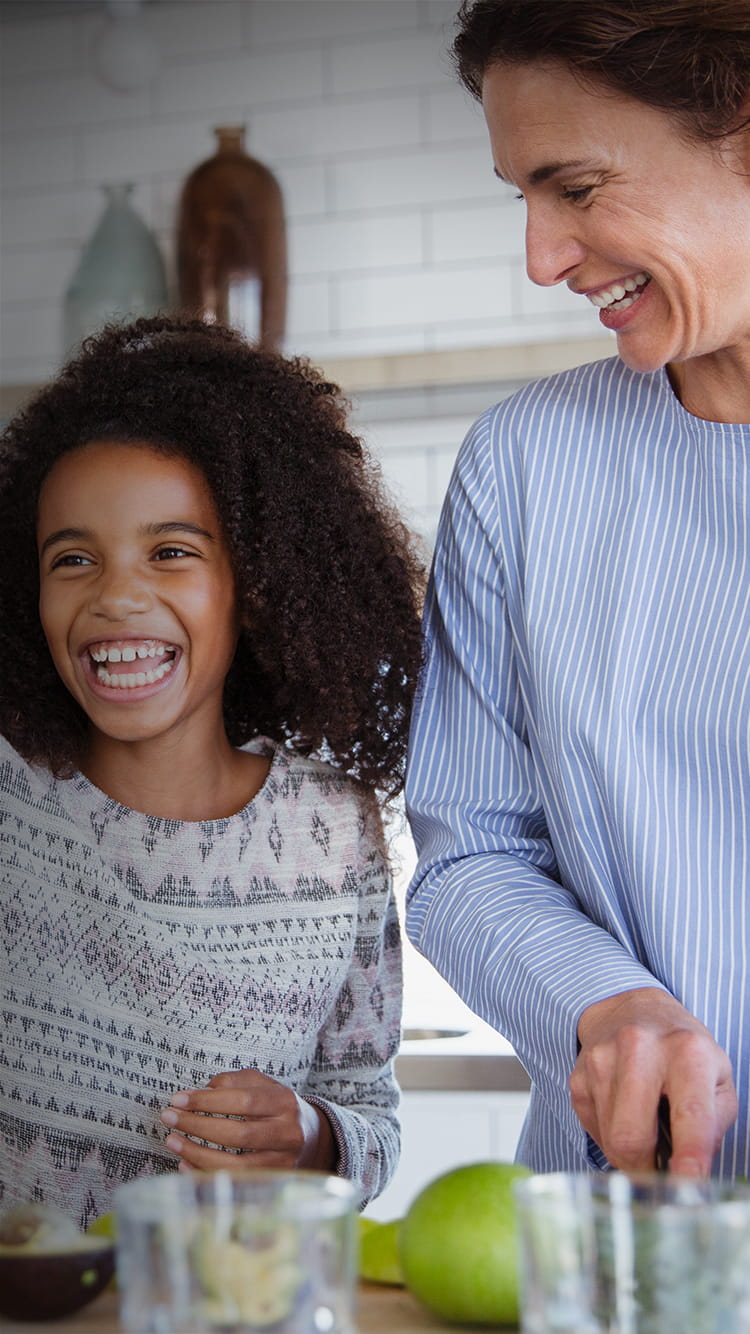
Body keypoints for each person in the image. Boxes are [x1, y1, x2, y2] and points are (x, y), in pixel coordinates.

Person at [406, 0, 750, 1180]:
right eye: (525, 200)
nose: (543, 258)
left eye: (578, 187)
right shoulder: (525, 465)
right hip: (614, 1236)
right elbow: (470, 852)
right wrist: (604, 1001)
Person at [0, 315, 424, 1226]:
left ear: (262, 582)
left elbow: (373, 1117)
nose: (115, 595)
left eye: (172, 552)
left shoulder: (333, 830)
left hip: (232, 1306)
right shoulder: (10, 796)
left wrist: (311, 1136)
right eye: (71, 558)